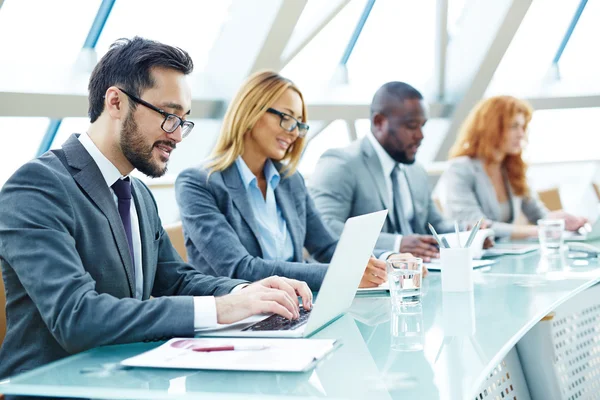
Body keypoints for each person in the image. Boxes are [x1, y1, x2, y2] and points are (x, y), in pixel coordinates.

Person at [0, 38, 312, 381]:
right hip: (54, 387)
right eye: (168, 116)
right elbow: (77, 316)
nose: (177, 136)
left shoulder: (138, 194)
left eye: (183, 120)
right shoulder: (37, 186)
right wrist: (223, 309)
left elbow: (177, 281)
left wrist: (245, 292)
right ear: (116, 102)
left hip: (132, 377)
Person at [175, 70, 397, 292]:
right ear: (251, 112)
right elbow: (239, 268)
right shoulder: (198, 183)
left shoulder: (290, 181)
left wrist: (385, 261)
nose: (294, 133)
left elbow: (327, 246)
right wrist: (342, 274)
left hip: (298, 306)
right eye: (287, 118)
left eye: (299, 124)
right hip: (239, 317)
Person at [309, 82, 456, 262]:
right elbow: (325, 228)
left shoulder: (416, 170)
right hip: (370, 280)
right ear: (379, 122)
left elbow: (436, 225)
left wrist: (471, 231)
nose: (420, 135)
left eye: (422, 126)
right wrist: (396, 244)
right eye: (411, 126)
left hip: (419, 274)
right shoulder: (341, 164)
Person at [438, 95, 587, 239]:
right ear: (491, 128)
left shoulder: (511, 167)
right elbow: (477, 226)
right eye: (514, 126)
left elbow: (538, 215)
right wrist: (538, 230)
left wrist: (559, 221)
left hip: (506, 253)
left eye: (523, 127)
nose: (521, 134)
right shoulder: (460, 169)